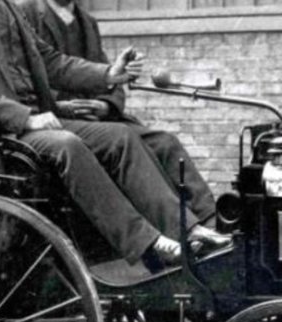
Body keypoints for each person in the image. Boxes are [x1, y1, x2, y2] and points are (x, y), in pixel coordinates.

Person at [0, 0, 229, 271]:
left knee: (121, 137)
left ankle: (187, 230)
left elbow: (51, 62)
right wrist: (25, 117)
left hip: (30, 125)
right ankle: (148, 243)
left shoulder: (7, 9)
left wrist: (107, 74)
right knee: (67, 145)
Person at [15, 0, 218, 227]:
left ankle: (213, 221)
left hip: (97, 119)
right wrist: (61, 106)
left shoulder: (86, 22)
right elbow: (30, 79)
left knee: (165, 143)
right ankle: (180, 229)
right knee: (122, 138)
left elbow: (109, 77)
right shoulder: (24, 13)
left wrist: (105, 105)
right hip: (58, 121)